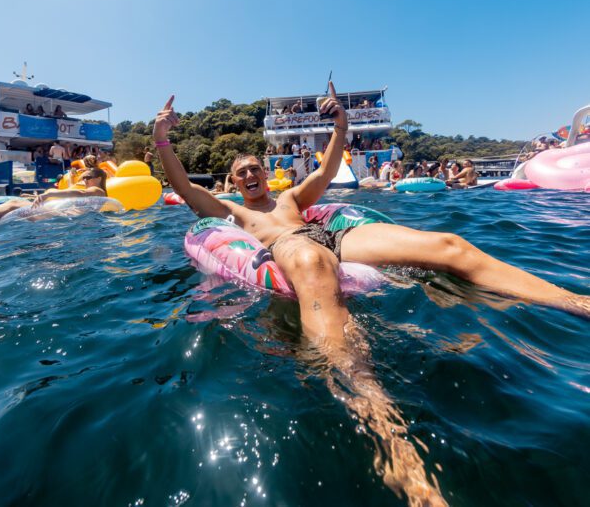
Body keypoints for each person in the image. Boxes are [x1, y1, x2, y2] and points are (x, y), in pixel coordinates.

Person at [153, 87, 590, 504]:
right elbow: (187, 190)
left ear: (265, 174)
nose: (250, 175)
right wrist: (163, 139)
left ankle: (575, 303)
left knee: (449, 244)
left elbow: (325, 172)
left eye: (255, 169)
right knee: (309, 260)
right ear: (234, 181)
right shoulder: (231, 211)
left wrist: (340, 126)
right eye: (241, 172)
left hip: (325, 234)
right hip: (290, 251)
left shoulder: (289, 197)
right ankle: (386, 432)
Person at [0, 168, 107, 229]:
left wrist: (50, 193)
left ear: (99, 177)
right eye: (83, 178)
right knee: (17, 203)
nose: (84, 180)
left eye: (87, 177)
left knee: (14, 204)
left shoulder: (97, 190)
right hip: (63, 217)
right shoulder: (95, 190)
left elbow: (81, 194)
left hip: (63, 218)